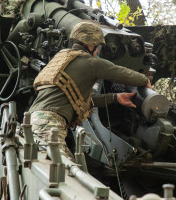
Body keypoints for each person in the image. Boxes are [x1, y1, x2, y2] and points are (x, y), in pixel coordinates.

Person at [29, 21, 151, 158]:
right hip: (50, 124)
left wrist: (115, 98)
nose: (98, 51)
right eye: (97, 46)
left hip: (33, 119)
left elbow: (77, 101)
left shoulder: (62, 57)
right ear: (89, 44)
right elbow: (118, 72)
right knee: (65, 173)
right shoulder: (90, 63)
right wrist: (144, 79)